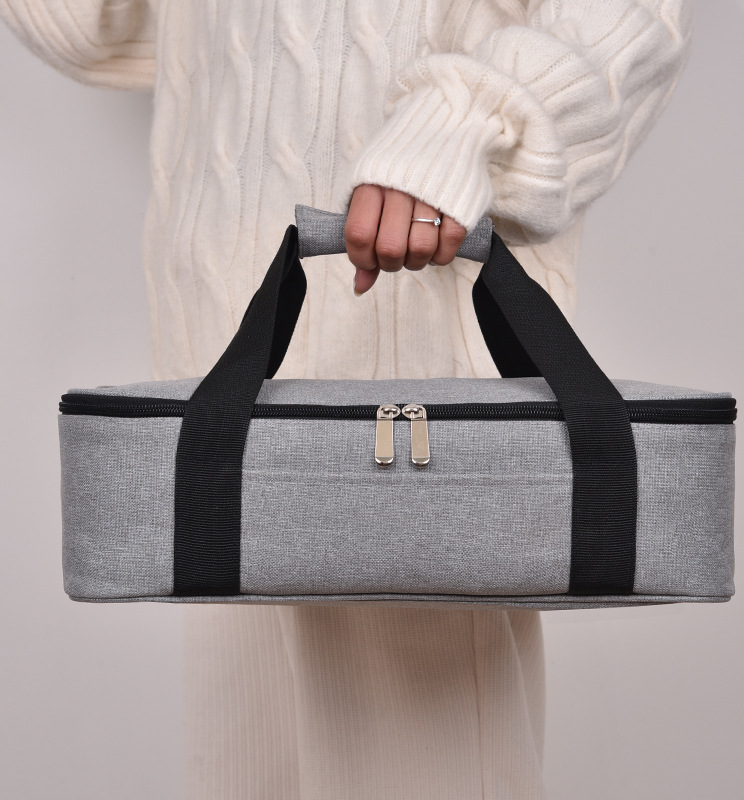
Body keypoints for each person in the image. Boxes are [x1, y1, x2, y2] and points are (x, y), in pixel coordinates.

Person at [0, 1, 693, 797]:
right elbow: (84, 29)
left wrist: (460, 122)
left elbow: (632, 18)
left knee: (416, 763)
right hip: (218, 367)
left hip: (415, 359)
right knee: (248, 761)